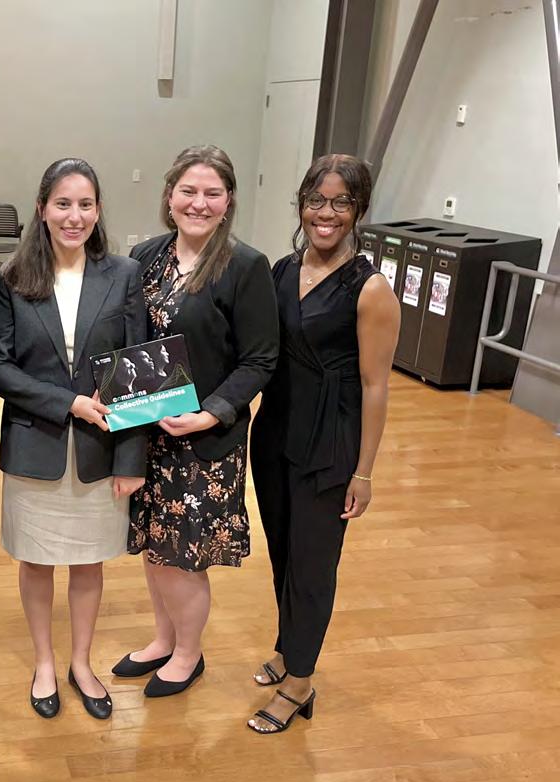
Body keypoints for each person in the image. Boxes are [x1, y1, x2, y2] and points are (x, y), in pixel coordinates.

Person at [0, 158, 146, 720]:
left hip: (102, 449)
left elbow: (137, 369)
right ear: (42, 208)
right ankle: (45, 663)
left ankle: (81, 662)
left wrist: (132, 457)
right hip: (37, 442)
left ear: (98, 211)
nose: (74, 216)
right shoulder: (12, 277)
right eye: (62, 204)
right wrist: (67, 403)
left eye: (85, 205)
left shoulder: (123, 274)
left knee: (88, 563)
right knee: (35, 561)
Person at [114, 145, 279, 697]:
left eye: (212, 193)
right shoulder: (146, 256)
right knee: (155, 541)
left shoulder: (245, 266)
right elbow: (131, 338)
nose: (199, 203)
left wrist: (210, 413)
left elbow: (261, 358)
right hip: (150, 431)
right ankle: (164, 639)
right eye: (188, 191)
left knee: (183, 555)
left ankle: (189, 652)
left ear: (228, 201)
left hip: (205, 440)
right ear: (170, 196)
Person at [248, 154, 400, 734]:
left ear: (358, 210)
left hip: (330, 443)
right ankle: (289, 648)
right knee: (285, 552)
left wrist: (364, 471)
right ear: (302, 205)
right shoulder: (283, 270)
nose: (326, 213)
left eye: (341, 202)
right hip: (275, 432)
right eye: (317, 200)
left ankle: (300, 684)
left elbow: (375, 385)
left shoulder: (371, 288)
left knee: (314, 564)